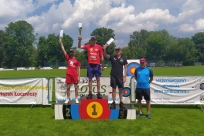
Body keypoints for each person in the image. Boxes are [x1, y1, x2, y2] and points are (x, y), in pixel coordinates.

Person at [103, 44, 128, 109]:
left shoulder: (124, 58)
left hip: (120, 76)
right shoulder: (112, 57)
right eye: (116, 50)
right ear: (115, 51)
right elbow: (105, 55)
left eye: (119, 50)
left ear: (121, 51)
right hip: (113, 75)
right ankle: (113, 102)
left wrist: (125, 77)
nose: (118, 51)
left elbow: (125, 68)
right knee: (113, 89)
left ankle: (121, 102)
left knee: (120, 89)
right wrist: (105, 49)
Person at [59, 38, 81, 104]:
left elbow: (78, 68)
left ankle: (76, 98)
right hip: (69, 74)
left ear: (74, 52)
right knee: (68, 87)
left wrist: (79, 76)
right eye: (70, 52)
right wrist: (61, 43)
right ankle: (68, 98)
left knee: (76, 87)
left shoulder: (77, 60)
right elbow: (63, 50)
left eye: (72, 52)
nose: (71, 53)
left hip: (74, 75)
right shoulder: (68, 58)